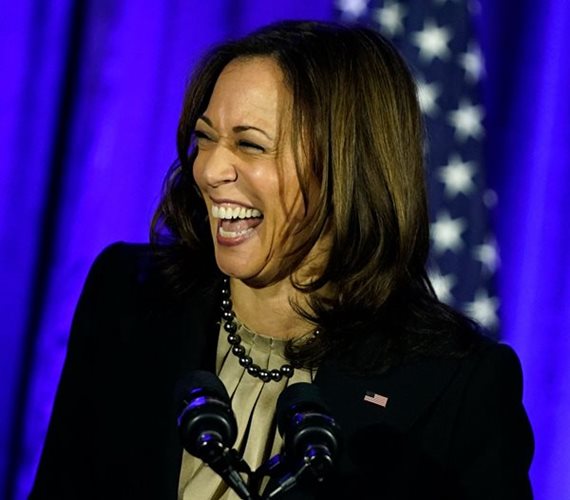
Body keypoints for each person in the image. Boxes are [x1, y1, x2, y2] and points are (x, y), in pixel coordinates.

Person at [31, 20, 533, 499]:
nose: (209, 170)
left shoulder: (458, 386)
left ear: (346, 168)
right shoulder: (128, 296)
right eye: (205, 138)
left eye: (250, 145)